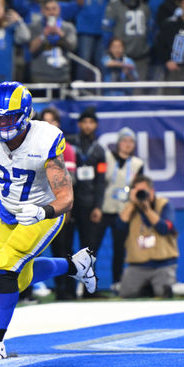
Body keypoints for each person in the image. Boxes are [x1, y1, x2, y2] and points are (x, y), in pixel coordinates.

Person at [0, 81, 97, 360]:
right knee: (20, 279)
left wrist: (44, 212)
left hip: (41, 213)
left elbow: (66, 197)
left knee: (5, 266)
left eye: (9, 117)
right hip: (8, 210)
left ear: (26, 114)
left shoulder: (45, 139)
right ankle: (75, 265)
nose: (2, 124)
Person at [94, 128, 143, 291]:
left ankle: (117, 282)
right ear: (118, 143)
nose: (127, 144)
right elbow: (98, 182)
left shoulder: (137, 164)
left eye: (131, 141)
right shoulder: (106, 157)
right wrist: (97, 206)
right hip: (104, 209)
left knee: (119, 248)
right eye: (124, 141)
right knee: (92, 247)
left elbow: (138, 188)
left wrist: (129, 210)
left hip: (123, 212)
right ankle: (86, 283)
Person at [67, 107, 107, 296]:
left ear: (96, 125)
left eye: (91, 122)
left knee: (89, 248)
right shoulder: (69, 145)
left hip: (89, 204)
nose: (88, 125)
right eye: (85, 122)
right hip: (69, 204)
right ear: (79, 124)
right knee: (65, 246)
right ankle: (66, 290)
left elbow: (101, 181)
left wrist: (98, 206)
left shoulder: (98, 150)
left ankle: (89, 289)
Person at [118, 175, 178, 298]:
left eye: (143, 191)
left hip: (163, 264)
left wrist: (146, 209)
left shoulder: (164, 205)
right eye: (137, 191)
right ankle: (147, 287)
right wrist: (132, 204)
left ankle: (153, 287)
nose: (141, 194)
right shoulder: (130, 208)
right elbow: (119, 227)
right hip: (138, 265)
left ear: (152, 191)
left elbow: (164, 229)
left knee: (163, 293)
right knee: (126, 293)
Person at [40, 107, 79, 300]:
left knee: (64, 248)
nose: (49, 125)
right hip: (41, 207)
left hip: (59, 206)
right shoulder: (34, 148)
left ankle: (68, 290)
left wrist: (66, 207)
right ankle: (58, 288)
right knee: (43, 250)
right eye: (45, 121)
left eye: (52, 121)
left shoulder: (67, 149)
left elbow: (70, 180)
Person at [28, 0, 77, 83]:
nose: (51, 12)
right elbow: (31, 50)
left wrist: (60, 34)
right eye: (48, 9)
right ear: (42, 11)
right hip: (40, 77)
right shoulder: (34, 27)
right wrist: (44, 34)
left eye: (54, 9)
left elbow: (72, 47)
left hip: (62, 76)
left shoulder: (68, 27)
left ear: (59, 10)